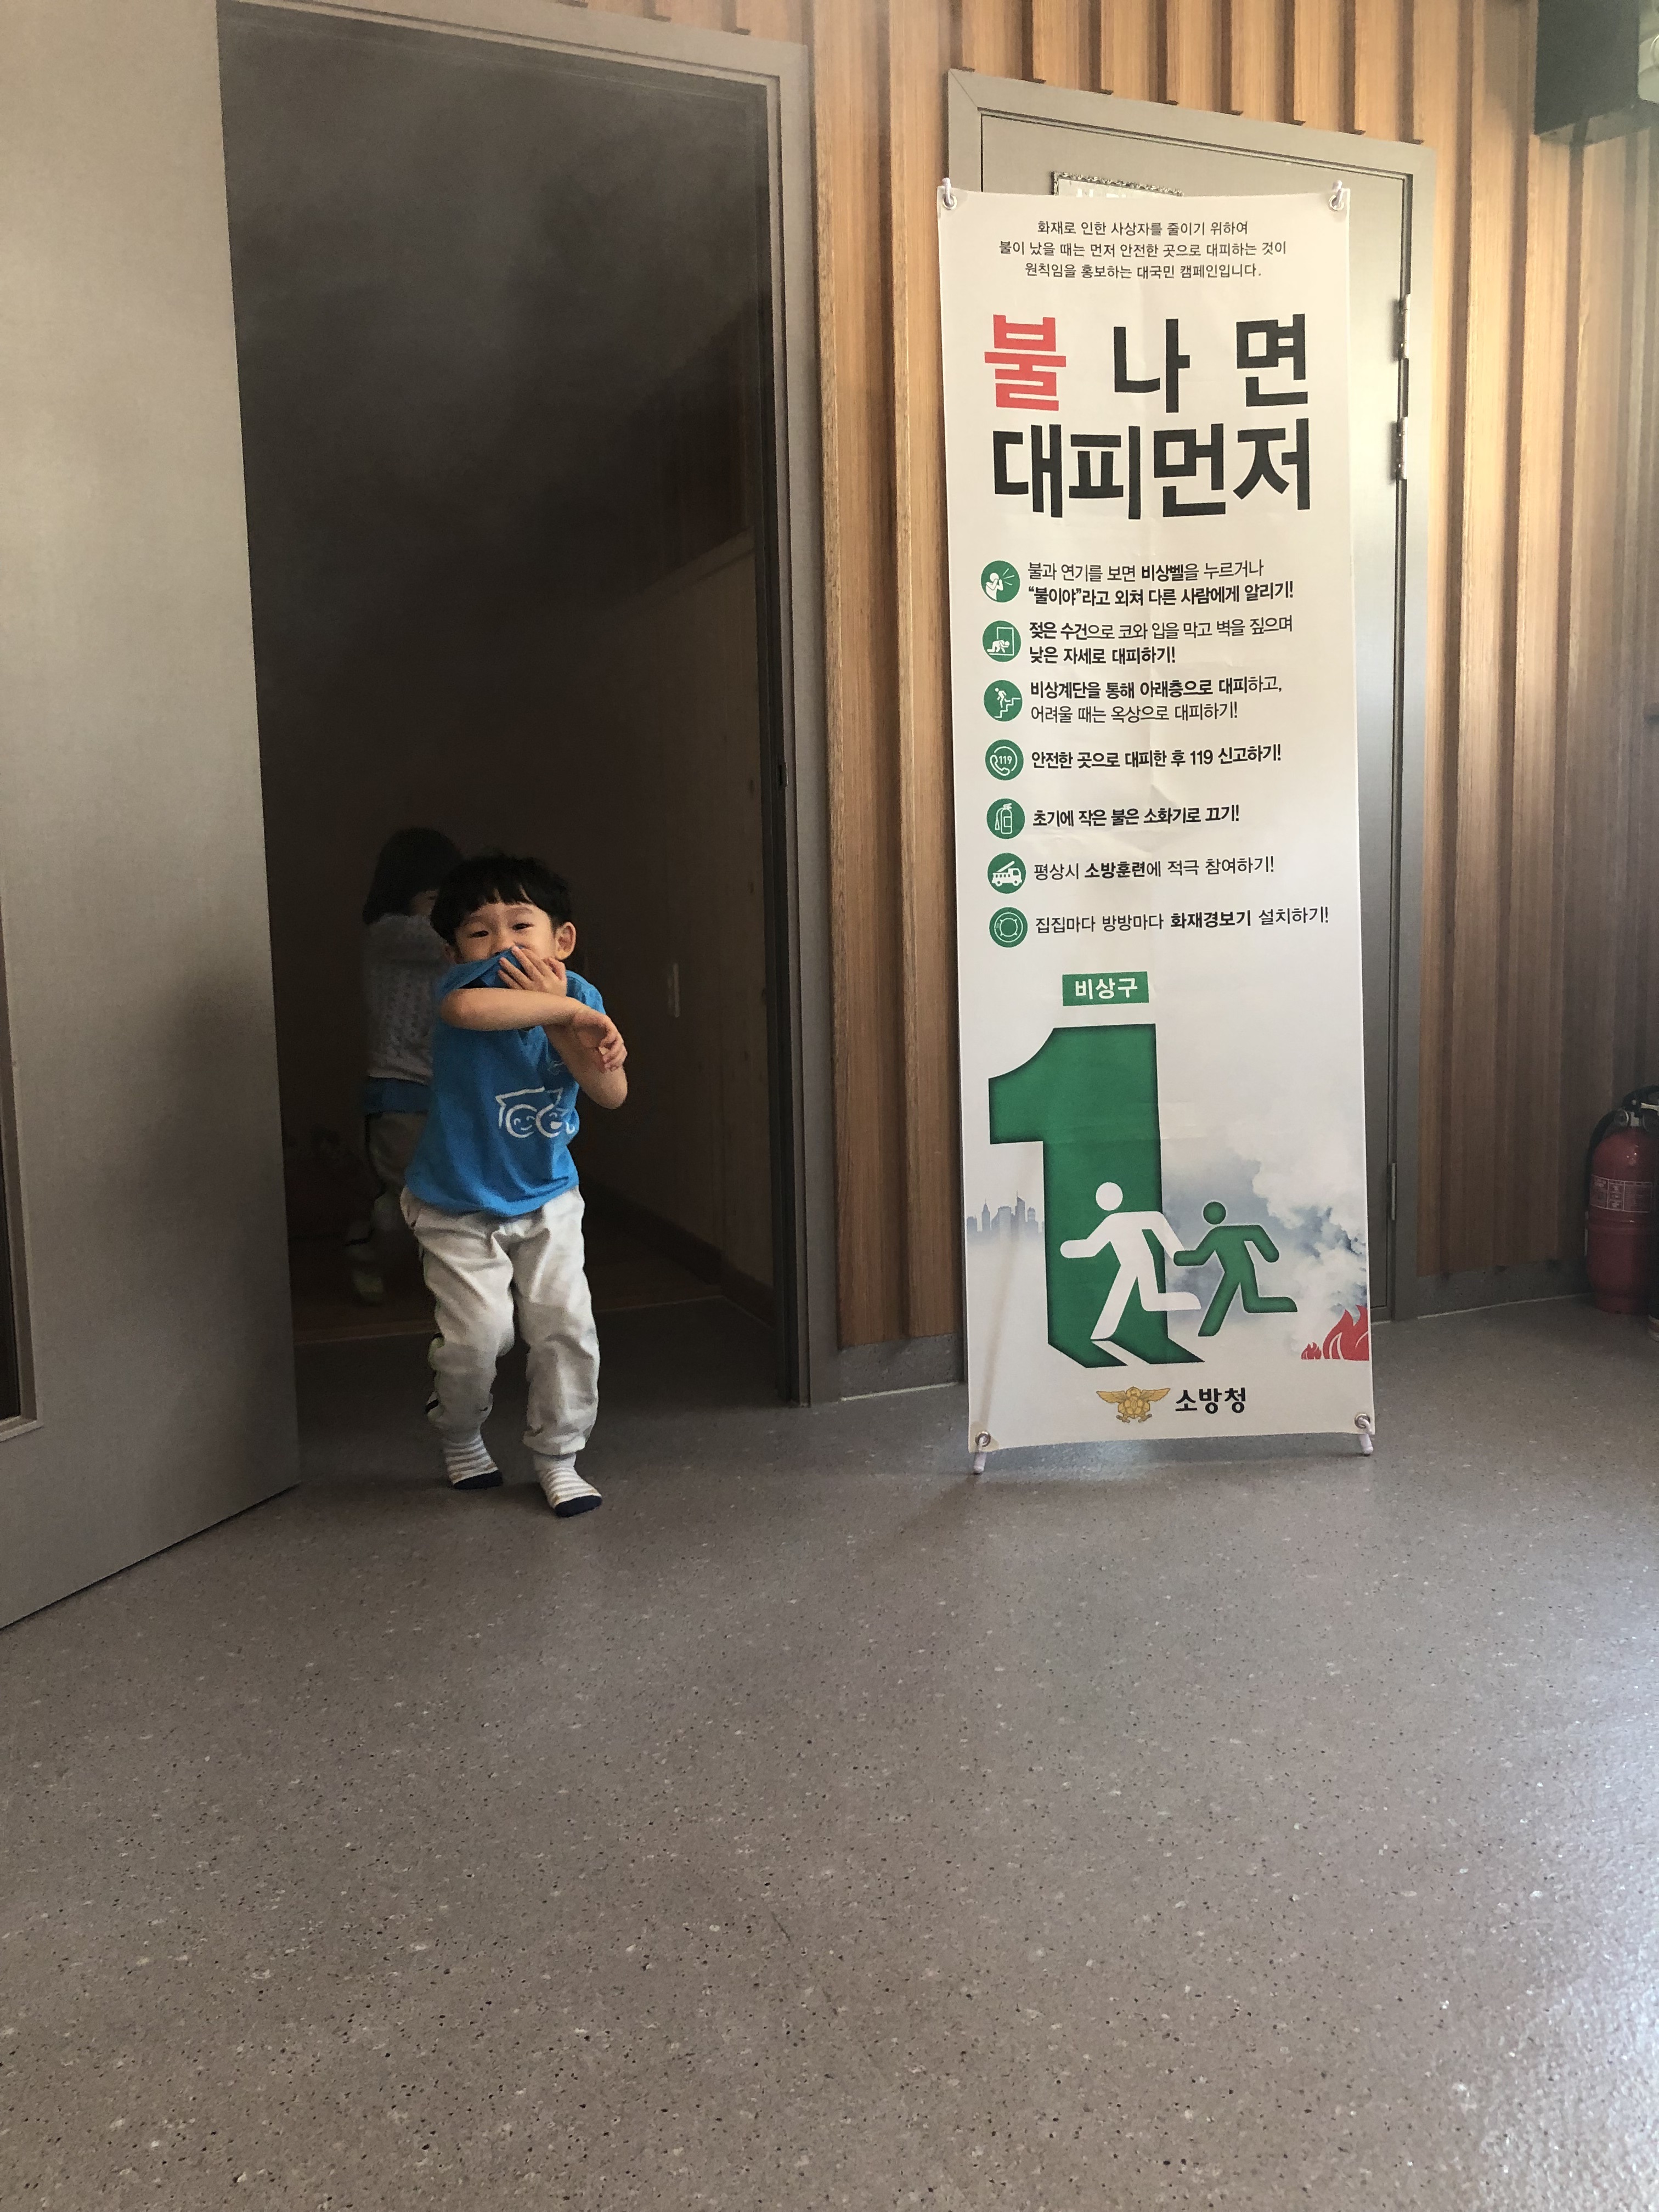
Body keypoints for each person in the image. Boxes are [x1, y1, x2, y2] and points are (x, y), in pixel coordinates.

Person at [400, 854, 628, 1517]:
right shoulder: (465, 989)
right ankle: (458, 1429)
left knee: (566, 1328)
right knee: (479, 1339)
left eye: (521, 925)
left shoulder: (579, 998)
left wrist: (573, 1023)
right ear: (454, 953)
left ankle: (559, 1455)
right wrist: (564, 1009)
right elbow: (470, 1009)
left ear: (563, 939)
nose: (502, 944)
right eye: (480, 931)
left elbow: (611, 1093)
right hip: (455, 1204)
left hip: (548, 1196)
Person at [348, 827, 464, 1304]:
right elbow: (447, 936)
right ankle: (367, 1250)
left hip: (449, 1084)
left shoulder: (452, 947)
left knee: (447, 1190)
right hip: (399, 1086)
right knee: (408, 1195)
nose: (447, 909)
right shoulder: (391, 934)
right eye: (435, 898)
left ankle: (447, 1283)